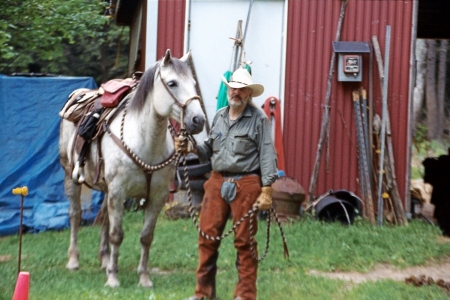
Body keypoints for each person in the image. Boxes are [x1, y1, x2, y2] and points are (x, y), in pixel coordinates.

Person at [176, 67, 278, 300]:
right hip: (217, 179)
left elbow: (267, 154)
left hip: (248, 182)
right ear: (228, 89)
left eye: (242, 90)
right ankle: (203, 293)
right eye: (233, 88)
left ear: (249, 93)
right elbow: (209, 149)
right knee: (207, 237)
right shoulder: (220, 115)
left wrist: (267, 189)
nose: (236, 93)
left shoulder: (259, 119)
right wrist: (191, 147)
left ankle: (245, 295)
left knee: (244, 242)